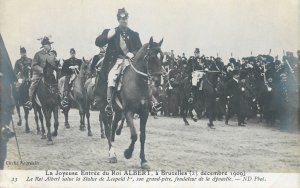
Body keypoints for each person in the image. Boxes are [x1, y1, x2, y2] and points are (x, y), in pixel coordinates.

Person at [95, 8, 142, 114]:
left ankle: (146, 103)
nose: (123, 20)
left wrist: (133, 53)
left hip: (130, 61)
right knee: (111, 78)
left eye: (125, 18)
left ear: (127, 19)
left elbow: (139, 48)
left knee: (140, 77)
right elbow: (98, 42)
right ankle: (109, 104)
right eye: (121, 19)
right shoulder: (112, 32)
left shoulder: (134, 34)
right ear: (118, 20)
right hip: (116, 62)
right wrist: (107, 36)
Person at [25, 36, 57, 109]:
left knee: (57, 84)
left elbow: (55, 63)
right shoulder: (38, 54)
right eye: (49, 45)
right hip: (39, 75)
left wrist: (58, 66)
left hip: (50, 75)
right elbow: (33, 65)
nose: (50, 46)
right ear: (44, 46)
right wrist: (42, 70)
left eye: (50, 45)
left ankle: (61, 99)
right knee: (32, 86)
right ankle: (30, 101)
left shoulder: (52, 54)